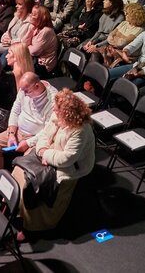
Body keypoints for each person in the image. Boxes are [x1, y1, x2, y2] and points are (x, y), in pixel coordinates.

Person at [11, 88, 96, 235]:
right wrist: (42, 150)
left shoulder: (80, 130)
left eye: (56, 109)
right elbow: (44, 134)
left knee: (33, 186)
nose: (53, 110)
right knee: (19, 171)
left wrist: (46, 154)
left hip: (69, 168)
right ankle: (16, 207)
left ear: (67, 113)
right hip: (47, 154)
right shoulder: (57, 116)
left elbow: (66, 158)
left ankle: (33, 226)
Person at [0, 72, 55, 173]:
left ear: (37, 86)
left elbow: (48, 131)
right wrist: (11, 134)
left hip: (35, 139)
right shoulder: (24, 89)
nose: (25, 94)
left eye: (27, 92)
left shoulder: (53, 100)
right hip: (18, 131)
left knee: (24, 167)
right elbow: (15, 111)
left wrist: (28, 143)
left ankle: (15, 184)